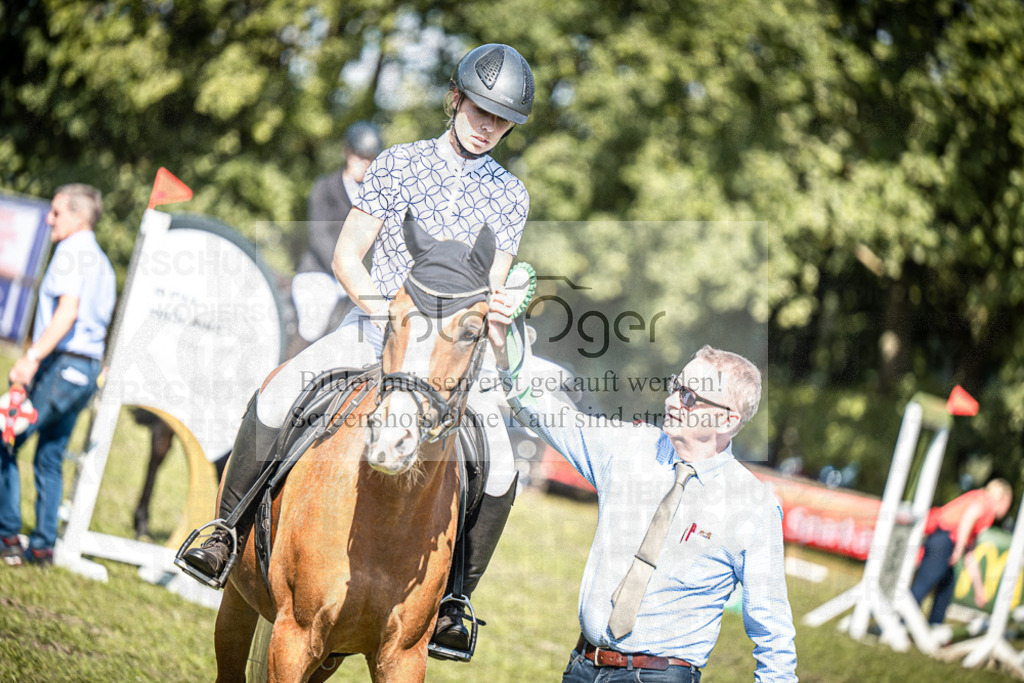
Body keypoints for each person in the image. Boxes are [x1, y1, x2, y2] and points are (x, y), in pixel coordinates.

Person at [180, 43, 535, 653]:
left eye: (500, 120)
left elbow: (492, 285)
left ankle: (454, 601)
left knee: (501, 464)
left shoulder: (511, 194)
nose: (486, 126)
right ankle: (225, 533)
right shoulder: (397, 163)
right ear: (456, 99)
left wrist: (502, 308)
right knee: (277, 394)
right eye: (479, 110)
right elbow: (348, 255)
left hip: (450, 352)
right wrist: (387, 316)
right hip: (376, 329)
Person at [487, 292, 799, 681]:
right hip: (583, 666)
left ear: (726, 421)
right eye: (675, 386)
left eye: (689, 397)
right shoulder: (630, 448)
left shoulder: (752, 506)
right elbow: (550, 413)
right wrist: (505, 347)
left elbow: (772, 629)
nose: (672, 401)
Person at [0, 184, 116, 567]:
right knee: (50, 456)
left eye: (56, 212)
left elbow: (67, 313)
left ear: (78, 217)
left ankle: (7, 537)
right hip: (85, 370)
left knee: (6, 437)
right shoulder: (101, 260)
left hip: (62, 364)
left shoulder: (71, 252)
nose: (49, 219)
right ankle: (42, 547)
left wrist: (32, 357)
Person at [291, 121, 383, 349]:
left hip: (359, 275)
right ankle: (291, 364)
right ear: (347, 152)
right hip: (320, 271)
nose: (364, 163)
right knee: (315, 317)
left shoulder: (377, 196)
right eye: (358, 156)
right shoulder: (324, 188)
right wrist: (347, 270)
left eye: (369, 158)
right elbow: (319, 236)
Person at [911, 478, 1014, 625]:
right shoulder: (985, 502)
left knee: (947, 586)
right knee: (926, 582)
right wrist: (959, 548)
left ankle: (935, 625)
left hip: (946, 541)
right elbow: (969, 517)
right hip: (943, 539)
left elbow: (970, 555)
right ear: (1002, 499)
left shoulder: (983, 509)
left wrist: (979, 590)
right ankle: (899, 621)